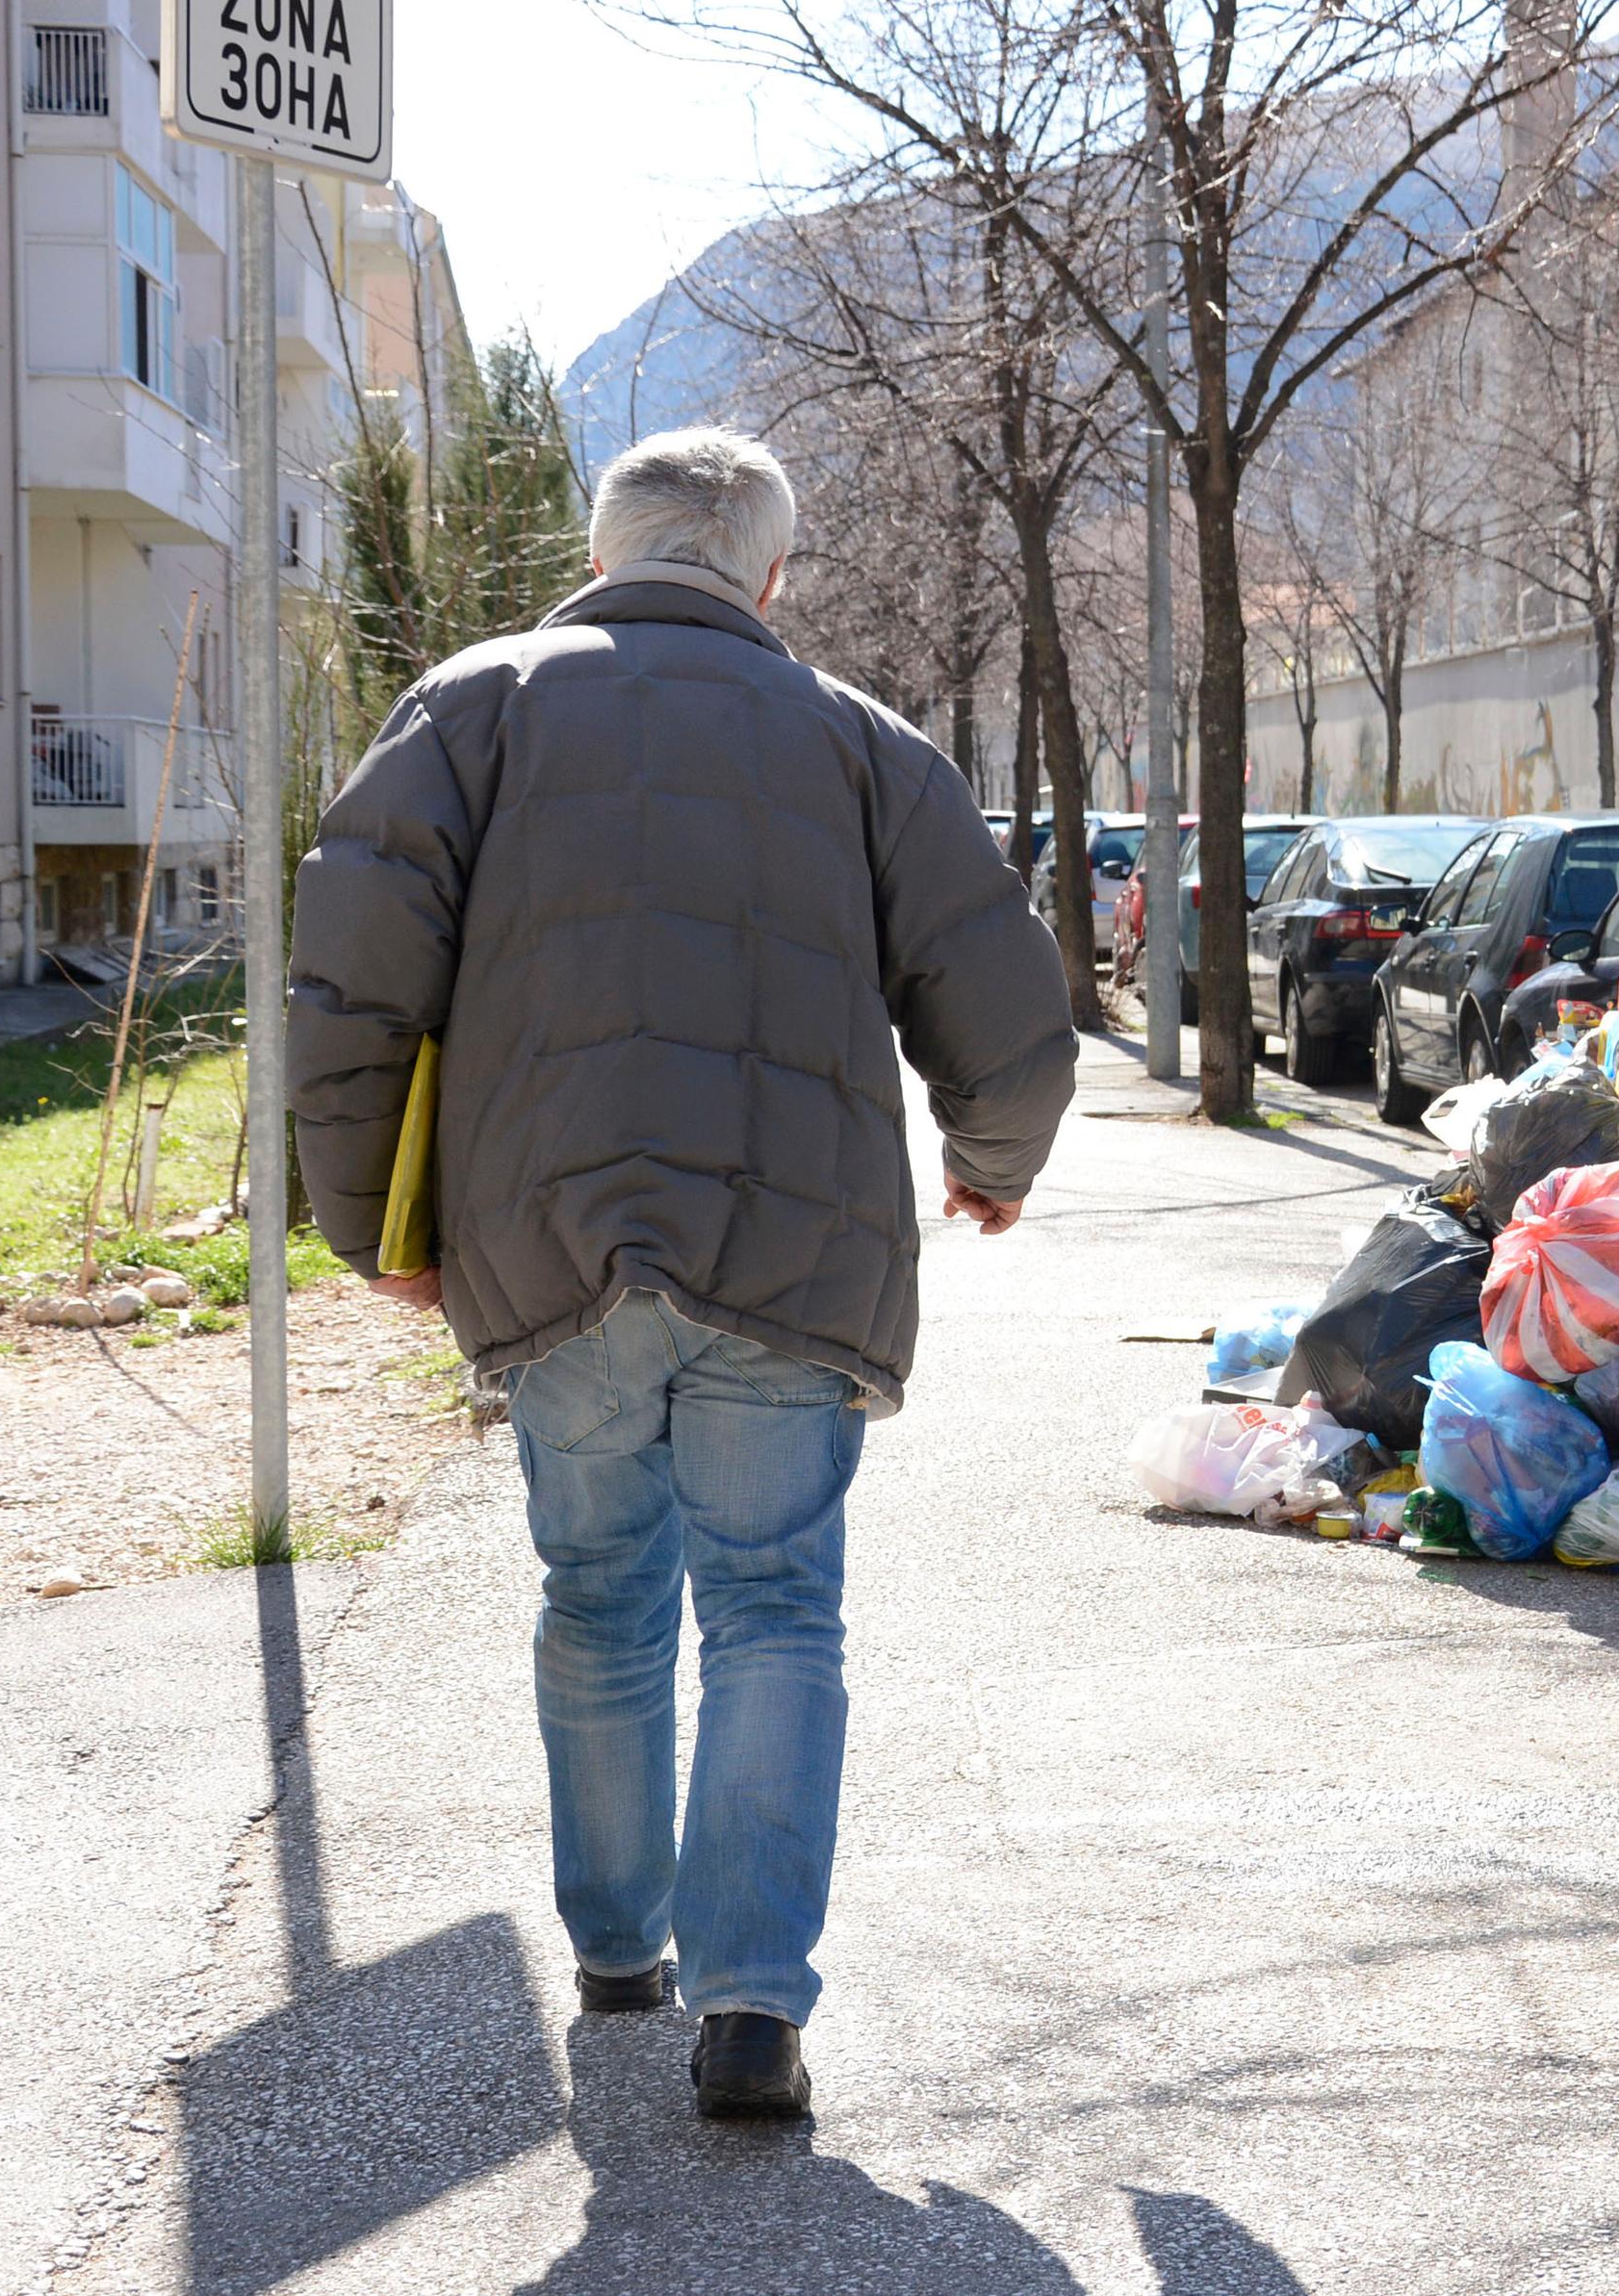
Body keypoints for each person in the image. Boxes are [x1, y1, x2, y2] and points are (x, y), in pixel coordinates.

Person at [288, 427, 1076, 2121]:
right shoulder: (865, 746)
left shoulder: (470, 706)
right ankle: (748, 2014)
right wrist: (988, 1168)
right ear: (770, 575)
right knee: (777, 1605)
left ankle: (618, 1951)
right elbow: (1011, 1022)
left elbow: (349, 982)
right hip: (790, 1257)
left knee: (598, 1593)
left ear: (600, 547)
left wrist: (373, 1227)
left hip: (546, 1240)